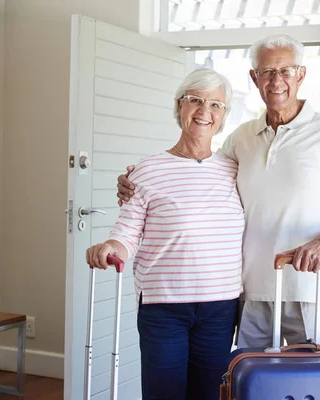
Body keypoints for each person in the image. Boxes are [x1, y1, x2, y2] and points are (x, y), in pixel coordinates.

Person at [117, 35, 320, 349]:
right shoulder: (241, 137)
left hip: (312, 290)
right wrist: (135, 181)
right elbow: (199, 173)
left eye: (286, 71)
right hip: (251, 292)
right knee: (250, 387)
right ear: (254, 77)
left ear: (301, 75)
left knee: (313, 386)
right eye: (266, 72)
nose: (276, 81)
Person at [86, 68, 243, 400]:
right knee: (164, 394)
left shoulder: (235, 170)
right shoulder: (147, 170)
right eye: (195, 101)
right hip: (164, 306)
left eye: (216, 105)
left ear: (224, 115)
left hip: (220, 306)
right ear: (179, 107)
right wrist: (110, 247)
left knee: (211, 394)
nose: (205, 111)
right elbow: (127, 233)